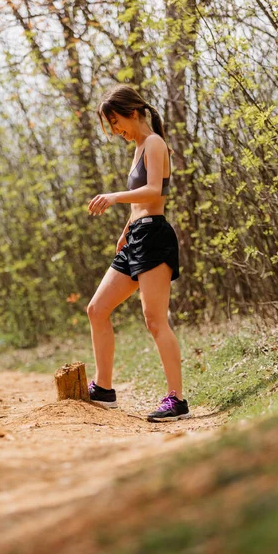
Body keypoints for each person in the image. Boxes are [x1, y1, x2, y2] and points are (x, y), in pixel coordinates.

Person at [87, 84, 190, 422]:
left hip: (155, 238)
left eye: (116, 123)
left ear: (133, 113)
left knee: (154, 320)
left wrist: (114, 197)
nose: (117, 131)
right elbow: (141, 201)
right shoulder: (139, 147)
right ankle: (104, 389)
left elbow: (154, 191)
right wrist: (126, 229)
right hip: (135, 237)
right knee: (97, 309)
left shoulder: (156, 143)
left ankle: (177, 400)